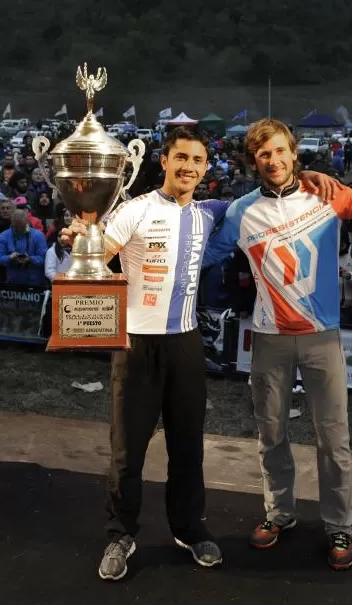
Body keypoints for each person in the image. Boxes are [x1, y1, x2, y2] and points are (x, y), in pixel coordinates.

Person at [67, 126, 336, 581]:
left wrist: (310, 176)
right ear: (164, 162)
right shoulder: (134, 210)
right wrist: (80, 235)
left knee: (187, 448)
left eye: (197, 161)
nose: (188, 167)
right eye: (181, 159)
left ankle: (189, 529)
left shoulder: (213, 212)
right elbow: (98, 254)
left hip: (186, 343)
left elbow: (267, 195)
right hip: (135, 345)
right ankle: (120, 536)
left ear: (205, 168)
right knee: (126, 453)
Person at [202, 118, 352, 570]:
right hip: (268, 338)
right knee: (271, 434)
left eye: (279, 150)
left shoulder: (326, 194)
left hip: (321, 338)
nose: (273, 160)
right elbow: (203, 254)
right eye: (263, 154)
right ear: (255, 162)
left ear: (293, 151)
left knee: (334, 439)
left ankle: (339, 524)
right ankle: (280, 513)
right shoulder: (241, 211)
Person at [0, 210, 48, 285]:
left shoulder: (39, 236)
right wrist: (10, 257)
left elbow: (43, 258)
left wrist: (30, 259)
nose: (19, 229)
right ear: (12, 223)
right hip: (13, 280)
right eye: (16, 227)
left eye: (22, 227)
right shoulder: (3, 236)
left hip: (35, 280)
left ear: (27, 221)